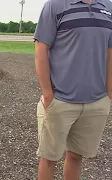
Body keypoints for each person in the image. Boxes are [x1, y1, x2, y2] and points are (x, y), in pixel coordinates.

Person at [34, 0, 112, 179]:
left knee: (76, 156)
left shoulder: (108, 7)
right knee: (49, 158)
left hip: (96, 101)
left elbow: (110, 51)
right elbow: (41, 48)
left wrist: (109, 92)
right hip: (60, 100)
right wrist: (48, 94)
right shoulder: (55, 6)